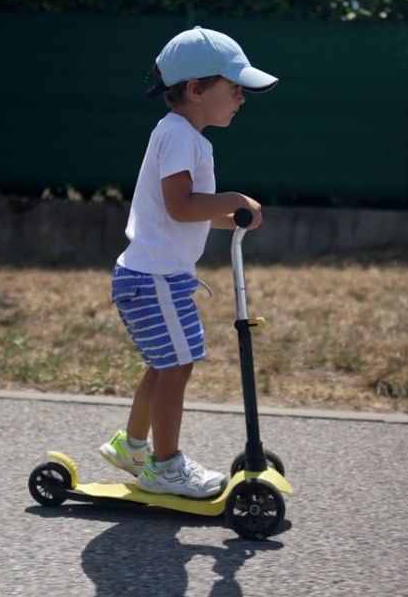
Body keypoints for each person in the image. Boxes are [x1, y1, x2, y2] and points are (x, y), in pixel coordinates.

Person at [98, 26, 278, 499]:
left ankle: (133, 447)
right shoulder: (180, 137)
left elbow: (184, 214)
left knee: (164, 365)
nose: (242, 99)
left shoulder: (183, 135)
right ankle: (164, 466)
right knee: (176, 366)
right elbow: (181, 206)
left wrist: (230, 218)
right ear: (197, 89)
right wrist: (234, 197)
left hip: (152, 275)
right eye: (235, 89)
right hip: (155, 278)